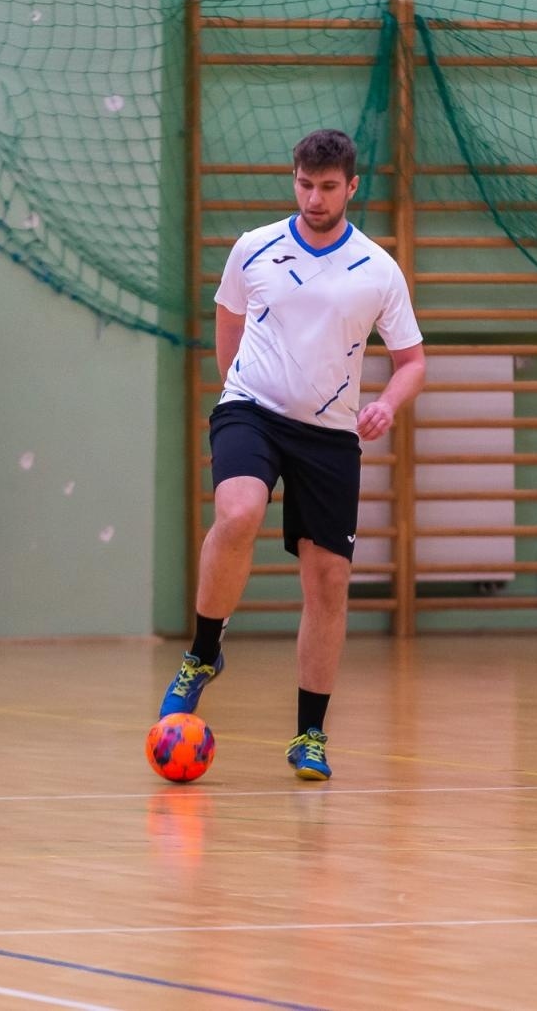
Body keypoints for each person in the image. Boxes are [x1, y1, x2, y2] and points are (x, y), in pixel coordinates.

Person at [158, 129, 426, 780]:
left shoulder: (377, 268)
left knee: (328, 580)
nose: (314, 197)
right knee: (239, 511)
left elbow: (412, 360)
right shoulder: (255, 248)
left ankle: (310, 733)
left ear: (352, 187)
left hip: (330, 434)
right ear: (295, 179)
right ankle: (202, 652)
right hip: (252, 410)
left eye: (328, 187)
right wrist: (233, 393)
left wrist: (387, 403)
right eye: (305, 184)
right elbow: (228, 316)